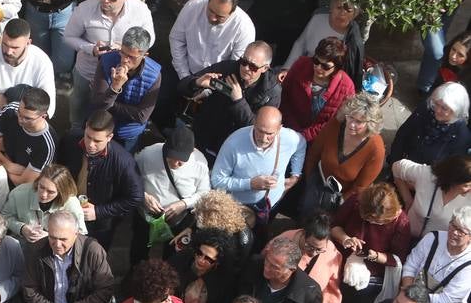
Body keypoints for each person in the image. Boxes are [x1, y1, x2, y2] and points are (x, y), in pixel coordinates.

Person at [21, 210, 116, 303]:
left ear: (76, 234)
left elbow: (105, 290)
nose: (57, 245)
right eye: (52, 237)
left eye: (63, 239)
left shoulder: (93, 251)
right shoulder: (36, 250)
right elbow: (29, 290)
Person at [63, 0, 154, 120]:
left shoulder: (140, 10)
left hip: (121, 75)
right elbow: (68, 37)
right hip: (88, 71)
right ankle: (76, 131)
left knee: (108, 113)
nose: (105, 0)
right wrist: (90, 48)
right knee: (78, 105)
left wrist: (125, 49)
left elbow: (149, 40)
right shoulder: (85, 8)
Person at [177, 40, 280, 159]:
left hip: (235, 149)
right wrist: (197, 83)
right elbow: (181, 87)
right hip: (205, 133)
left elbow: (258, 130)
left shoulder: (271, 91)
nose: (246, 68)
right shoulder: (227, 68)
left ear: (265, 68)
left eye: (253, 66)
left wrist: (239, 101)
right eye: (243, 61)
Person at [56, 110, 143, 250]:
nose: (90, 144)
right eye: (88, 136)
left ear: (110, 137)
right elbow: (57, 168)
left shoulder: (123, 161)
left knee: (92, 256)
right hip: (67, 210)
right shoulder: (69, 140)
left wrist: (99, 211)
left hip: (98, 224)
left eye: (97, 141)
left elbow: (135, 196)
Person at [331, 183, 411, 303]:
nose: (373, 223)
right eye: (368, 220)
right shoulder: (356, 201)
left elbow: (396, 259)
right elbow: (334, 226)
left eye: (379, 222)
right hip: (338, 262)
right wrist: (345, 239)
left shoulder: (401, 222)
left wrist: (373, 255)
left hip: (369, 277)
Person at [210, 107, 306, 217]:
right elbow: (217, 180)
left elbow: (301, 145)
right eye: (260, 131)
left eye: (269, 133)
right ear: (254, 123)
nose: (264, 138)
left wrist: (296, 175)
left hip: (271, 205)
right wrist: (250, 184)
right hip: (239, 208)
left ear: (279, 129)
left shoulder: (288, 138)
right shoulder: (234, 143)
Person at [133, 125, 210, 261]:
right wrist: (143, 195)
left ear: (191, 152)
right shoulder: (147, 154)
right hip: (147, 216)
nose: (175, 163)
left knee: (172, 256)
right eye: (171, 157)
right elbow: (131, 178)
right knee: (138, 252)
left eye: (181, 160)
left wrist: (183, 204)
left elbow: (204, 193)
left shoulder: (200, 163)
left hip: (179, 220)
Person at [300, 93, 385, 214]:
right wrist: (309, 182)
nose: (351, 124)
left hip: (342, 197)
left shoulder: (376, 149)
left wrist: (339, 202)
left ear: (370, 123)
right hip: (317, 181)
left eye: (359, 121)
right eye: (350, 117)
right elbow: (314, 154)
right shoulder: (335, 124)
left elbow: (360, 187)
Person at [168, 0, 255, 97]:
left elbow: (235, 65)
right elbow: (177, 39)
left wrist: (210, 89)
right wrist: (185, 77)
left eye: (220, 17)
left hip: (217, 86)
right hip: (182, 70)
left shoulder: (244, 28)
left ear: (232, 12)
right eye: (210, 11)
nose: (213, 18)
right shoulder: (192, 7)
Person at [91, 26, 161, 150]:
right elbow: (98, 105)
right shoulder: (107, 61)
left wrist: (111, 103)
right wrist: (115, 87)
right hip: (101, 128)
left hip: (128, 134)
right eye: (122, 53)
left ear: (145, 55)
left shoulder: (154, 74)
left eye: (131, 57)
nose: (124, 60)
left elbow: (141, 116)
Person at [0, 18, 57, 119]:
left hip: (29, 127)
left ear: (28, 43)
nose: (8, 51)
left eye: (15, 48)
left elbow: (49, 108)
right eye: (5, 45)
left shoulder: (42, 61)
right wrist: (27, 116)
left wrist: (5, 105)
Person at [279, 36, 355, 142]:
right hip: (289, 129)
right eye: (316, 61)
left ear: (337, 67)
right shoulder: (301, 65)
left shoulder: (346, 87)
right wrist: (293, 131)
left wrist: (304, 136)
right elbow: (284, 96)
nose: (318, 67)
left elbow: (335, 122)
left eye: (325, 66)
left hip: (319, 139)